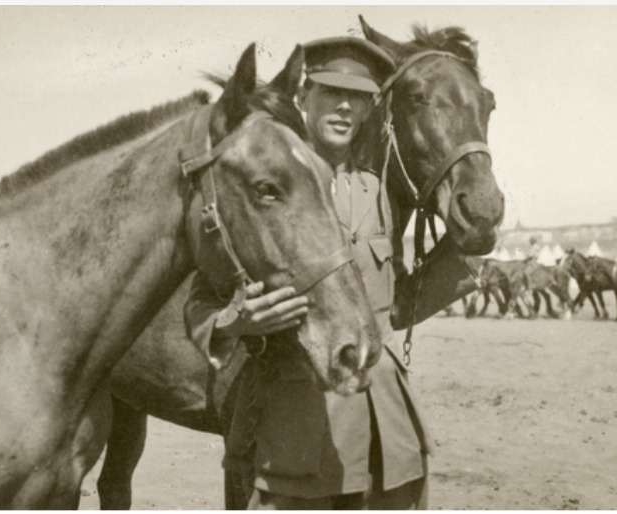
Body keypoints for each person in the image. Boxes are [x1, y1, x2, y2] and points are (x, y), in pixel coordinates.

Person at [184, 37, 431, 509]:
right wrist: (239, 321)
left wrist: (468, 258)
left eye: (357, 98)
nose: (344, 107)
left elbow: (398, 299)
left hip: (388, 428)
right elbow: (199, 301)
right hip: (298, 430)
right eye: (329, 92)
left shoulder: (376, 192)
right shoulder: (263, 190)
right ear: (302, 98)